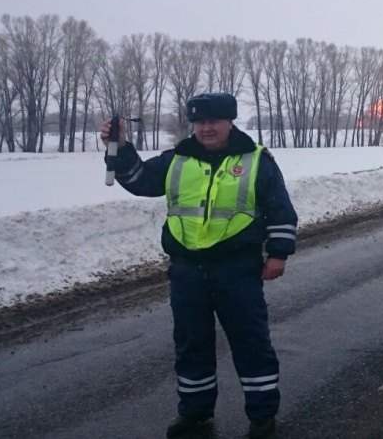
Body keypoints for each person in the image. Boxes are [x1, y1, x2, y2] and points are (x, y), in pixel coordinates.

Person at [102, 92, 298, 439]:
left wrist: (278, 253)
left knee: (251, 342)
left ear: (229, 122)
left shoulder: (256, 160)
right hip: (187, 270)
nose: (206, 128)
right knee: (191, 343)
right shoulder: (176, 159)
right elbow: (139, 181)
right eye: (200, 122)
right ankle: (194, 414)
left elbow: (280, 209)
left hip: (236, 268)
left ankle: (262, 416)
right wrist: (120, 146)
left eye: (214, 121)